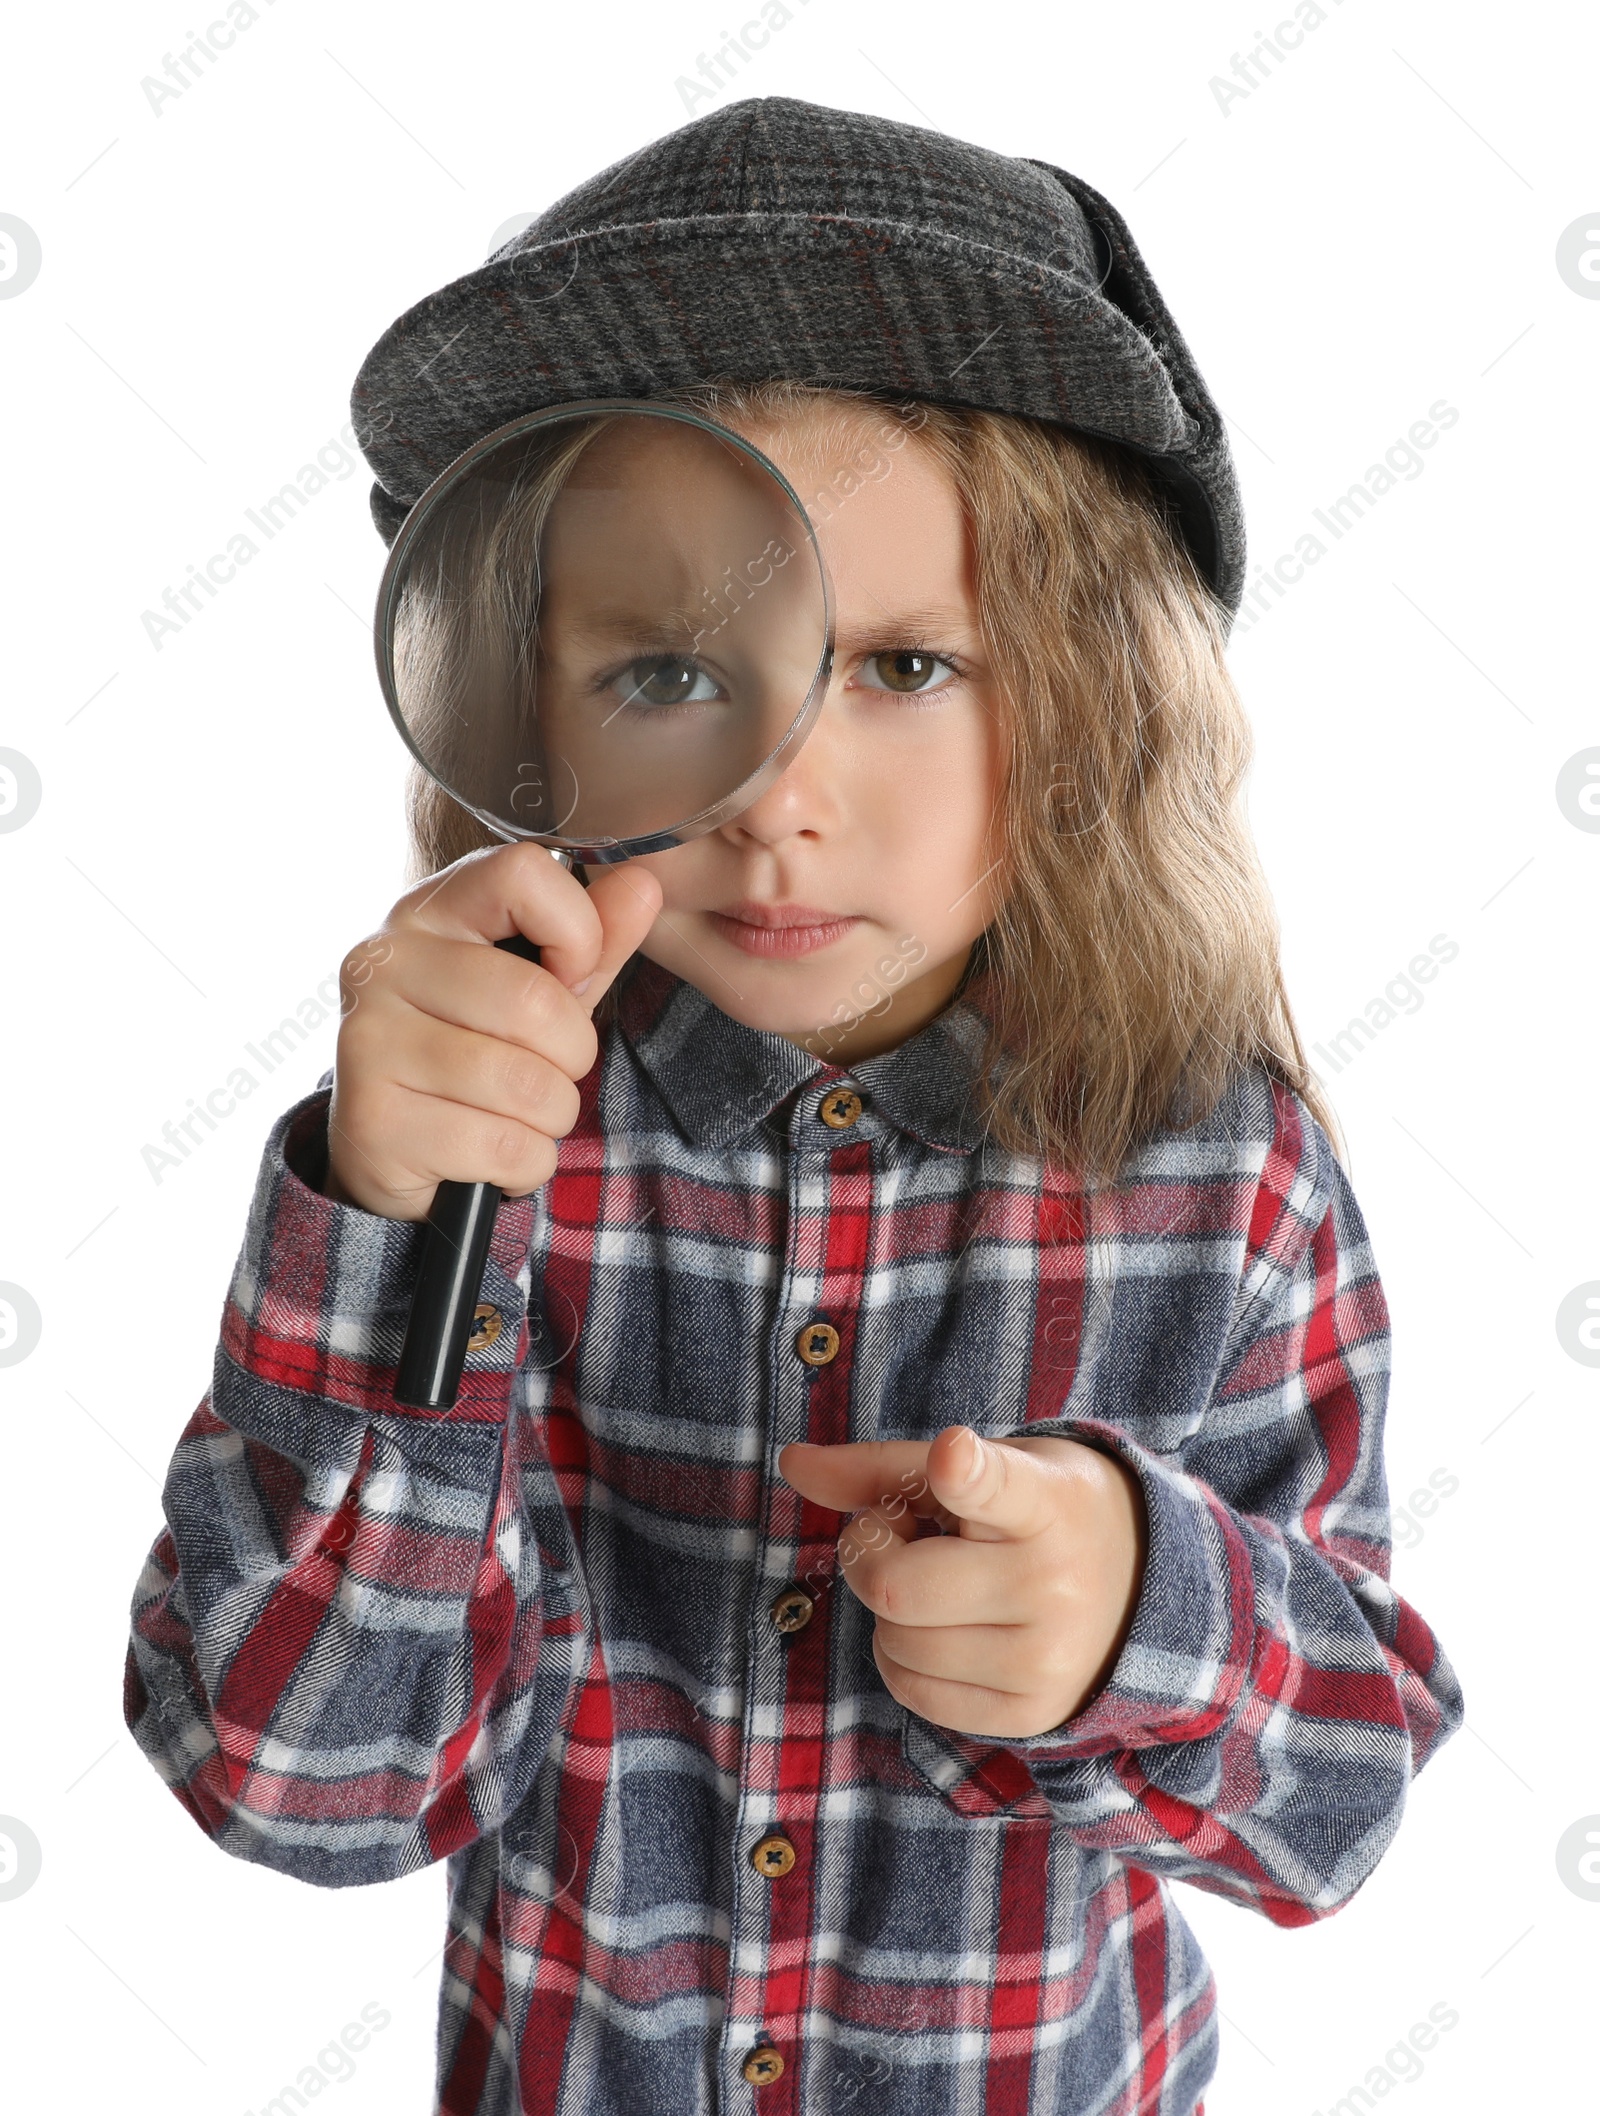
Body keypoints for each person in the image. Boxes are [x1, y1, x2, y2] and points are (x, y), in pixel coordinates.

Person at [122, 96, 1464, 2116]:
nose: (776, 793)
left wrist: (1134, 1605)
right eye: (674, 667)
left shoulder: (1223, 1169)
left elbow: (1337, 1795)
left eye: (905, 663)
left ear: (1095, 688)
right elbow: (302, 1779)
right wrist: (388, 1224)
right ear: (523, 701)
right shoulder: (478, 1140)